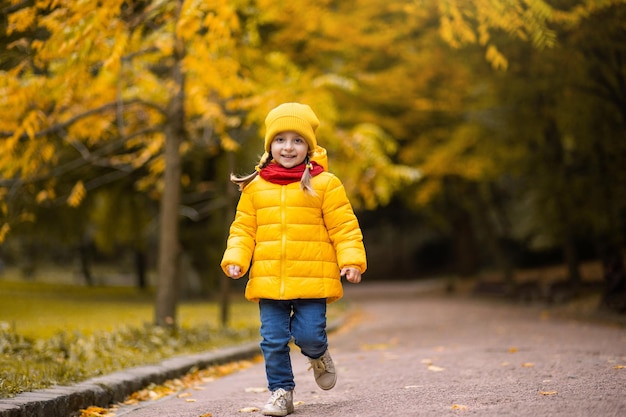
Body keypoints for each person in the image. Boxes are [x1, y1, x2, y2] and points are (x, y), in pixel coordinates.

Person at [221, 102, 367, 416]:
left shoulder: (325, 184)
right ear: (270, 145)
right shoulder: (254, 188)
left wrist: (352, 260)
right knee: (272, 341)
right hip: (269, 279)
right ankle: (281, 392)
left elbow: (344, 226)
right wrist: (236, 258)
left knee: (309, 335)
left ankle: (319, 354)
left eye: (297, 140)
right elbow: (243, 229)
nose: (288, 147)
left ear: (309, 147)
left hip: (313, 280)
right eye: (281, 139)